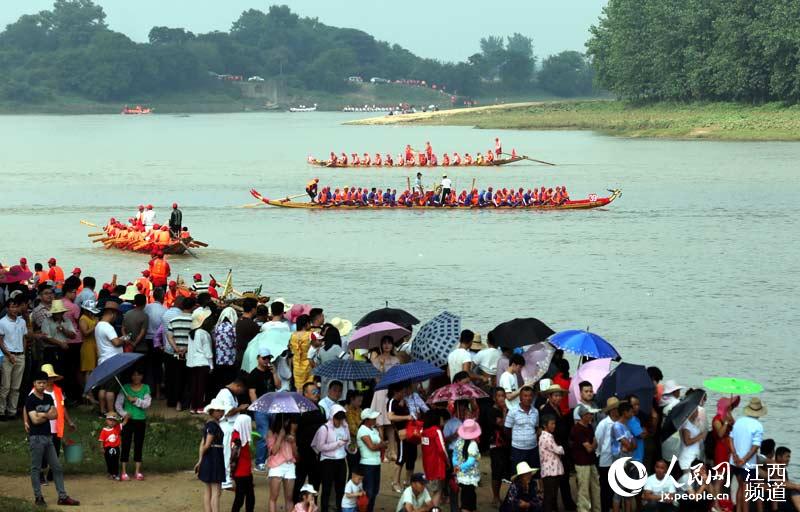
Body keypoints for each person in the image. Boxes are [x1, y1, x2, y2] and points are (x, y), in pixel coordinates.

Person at [25, 370, 80, 506]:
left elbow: (55, 415)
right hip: (36, 437)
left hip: (48, 437)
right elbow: (34, 420)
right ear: (34, 384)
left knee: (57, 467)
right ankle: (38, 497)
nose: (42, 385)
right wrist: (46, 414)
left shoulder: (49, 398)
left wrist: (41, 414)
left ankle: (62, 496)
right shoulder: (30, 399)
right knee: (36, 468)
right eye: (39, 383)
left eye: (44, 382)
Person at [730, 397, 766, 512]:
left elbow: (730, 439)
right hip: (748, 464)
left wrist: (735, 455)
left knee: (740, 487)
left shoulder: (739, 421)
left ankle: (738, 510)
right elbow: (755, 447)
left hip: (734, 461)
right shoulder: (758, 426)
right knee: (746, 489)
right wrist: (744, 460)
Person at [115, 367, 151, 481]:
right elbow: (118, 405)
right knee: (125, 444)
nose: (136, 377)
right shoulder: (124, 387)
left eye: (139, 375)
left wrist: (136, 400)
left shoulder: (146, 388)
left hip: (140, 420)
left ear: (142, 376)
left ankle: (137, 471)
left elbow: (147, 404)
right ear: (131, 376)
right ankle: (124, 472)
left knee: (138, 444)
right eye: (134, 375)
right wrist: (124, 414)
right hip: (128, 421)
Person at [0, 294, 33, 420]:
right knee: (5, 386)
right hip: (8, 356)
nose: (14, 309)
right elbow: (1, 341)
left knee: (16, 386)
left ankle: (12, 411)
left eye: (16, 307)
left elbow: (24, 338)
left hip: (20, 355)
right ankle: (1, 411)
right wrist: (9, 354)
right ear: (7, 309)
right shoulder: (2, 322)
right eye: (12, 307)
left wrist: (22, 352)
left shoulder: (22, 321)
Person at [94, 301, 130, 415]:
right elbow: (116, 342)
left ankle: (102, 410)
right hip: (112, 361)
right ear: (112, 314)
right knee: (111, 389)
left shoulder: (98, 325)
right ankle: (111, 412)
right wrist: (124, 339)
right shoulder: (108, 327)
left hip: (103, 360)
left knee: (103, 388)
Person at [313, 404, 350, 512]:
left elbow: (347, 442)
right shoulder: (324, 429)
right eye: (337, 419)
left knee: (340, 488)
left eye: (341, 419)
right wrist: (337, 444)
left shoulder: (345, 426)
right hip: (327, 461)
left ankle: (339, 509)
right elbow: (320, 447)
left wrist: (350, 447)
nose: (339, 422)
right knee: (326, 488)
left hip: (341, 460)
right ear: (332, 417)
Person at [215, 379, 249, 490]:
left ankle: (229, 478)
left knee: (230, 453)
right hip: (226, 425)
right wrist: (240, 408)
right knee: (227, 453)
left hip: (231, 426)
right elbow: (228, 412)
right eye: (241, 390)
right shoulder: (225, 393)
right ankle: (225, 481)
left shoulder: (231, 394)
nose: (240, 393)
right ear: (237, 386)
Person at [248, 347, 279, 471]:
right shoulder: (254, 374)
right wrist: (258, 407)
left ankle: (268, 458)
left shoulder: (270, 372)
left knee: (273, 434)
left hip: (273, 407)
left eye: (268, 358)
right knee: (263, 435)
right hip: (262, 409)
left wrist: (275, 373)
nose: (267, 360)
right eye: (264, 358)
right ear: (258, 358)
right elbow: (252, 392)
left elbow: (278, 385)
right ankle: (259, 461)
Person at [370, 336, 399, 461]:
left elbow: (398, 377)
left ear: (392, 345)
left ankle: (392, 451)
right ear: (381, 345)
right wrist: (381, 367)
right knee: (380, 424)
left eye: (389, 343)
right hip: (380, 392)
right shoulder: (376, 360)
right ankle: (382, 452)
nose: (387, 345)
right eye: (384, 343)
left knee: (391, 424)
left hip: (392, 392)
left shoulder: (396, 360)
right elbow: (377, 380)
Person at [196, 398, 226, 512]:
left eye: (221, 410)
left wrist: (200, 460)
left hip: (210, 458)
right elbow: (206, 444)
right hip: (214, 458)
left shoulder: (209, 424)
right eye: (218, 410)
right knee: (216, 491)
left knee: (208, 490)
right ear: (212, 411)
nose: (220, 412)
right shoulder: (213, 425)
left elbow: (202, 444)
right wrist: (201, 460)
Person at [571, 404, 601, 512]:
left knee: (595, 487)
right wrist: (593, 444)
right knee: (583, 489)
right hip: (582, 463)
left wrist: (592, 444)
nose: (591, 416)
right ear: (583, 415)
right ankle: (583, 510)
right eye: (589, 414)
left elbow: (594, 444)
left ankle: (597, 509)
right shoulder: (577, 429)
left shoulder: (589, 427)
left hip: (591, 461)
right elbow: (590, 447)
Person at [387, 383, 416, 493]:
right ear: (396, 392)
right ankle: (395, 482)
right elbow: (390, 416)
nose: (403, 394)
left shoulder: (405, 401)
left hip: (411, 432)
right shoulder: (391, 402)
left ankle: (408, 482)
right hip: (401, 433)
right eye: (401, 392)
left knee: (412, 457)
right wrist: (406, 417)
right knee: (401, 458)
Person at [268, 415, 299, 512]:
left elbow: (297, 456)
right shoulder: (271, 433)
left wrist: (293, 442)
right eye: (288, 422)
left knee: (289, 498)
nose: (291, 424)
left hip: (290, 465)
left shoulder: (292, 434)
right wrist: (280, 437)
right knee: (274, 497)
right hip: (276, 466)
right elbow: (273, 451)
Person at [357, 408, 386, 512]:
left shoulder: (373, 430)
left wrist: (380, 431)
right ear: (367, 419)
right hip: (367, 464)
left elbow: (381, 443)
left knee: (375, 490)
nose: (375, 420)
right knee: (369, 491)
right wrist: (381, 445)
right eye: (373, 418)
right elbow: (372, 447)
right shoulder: (362, 430)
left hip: (376, 463)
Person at [505, 386, 540, 470]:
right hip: (518, 450)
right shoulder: (513, 411)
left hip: (532, 449)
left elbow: (536, 427)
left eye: (530, 395)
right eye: (525, 396)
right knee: (518, 475)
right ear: (520, 397)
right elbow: (507, 430)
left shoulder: (535, 411)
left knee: (533, 473)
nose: (528, 398)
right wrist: (518, 439)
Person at [596, 397, 622, 512]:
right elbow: (598, 440)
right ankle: (605, 508)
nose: (618, 410)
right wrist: (600, 453)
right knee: (605, 487)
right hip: (606, 460)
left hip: (619, 459)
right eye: (616, 408)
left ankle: (615, 507)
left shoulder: (621, 422)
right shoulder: (604, 424)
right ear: (611, 410)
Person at [187, 310, 215, 413]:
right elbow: (208, 351)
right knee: (202, 386)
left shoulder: (191, 333)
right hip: (203, 363)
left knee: (194, 385)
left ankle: (193, 407)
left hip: (192, 363)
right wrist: (211, 365)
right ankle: (200, 407)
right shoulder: (204, 333)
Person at [452, 419, 481, 512]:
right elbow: (471, 461)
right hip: (470, 476)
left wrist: (456, 466)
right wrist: (460, 467)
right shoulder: (473, 444)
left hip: (460, 475)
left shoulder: (458, 441)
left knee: (465, 494)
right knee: (469, 497)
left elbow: (454, 456)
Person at [612, 402, 637, 512]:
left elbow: (633, 445)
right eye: (631, 411)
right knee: (618, 492)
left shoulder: (626, 426)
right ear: (625, 412)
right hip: (620, 462)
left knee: (628, 492)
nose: (633, 413)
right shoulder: (617, 426)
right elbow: (627, 444)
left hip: (628, 460)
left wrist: (629, 446)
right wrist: (629, 445)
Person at [420, 409, 447, 506]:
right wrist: (447, 461)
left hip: (427, 465)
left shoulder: (423, 430)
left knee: (430, 490)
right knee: (437, 491)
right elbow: (442, 449)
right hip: (437, 465)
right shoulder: (436, 430)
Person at [539, 415, 566, 512]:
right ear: (545, 425)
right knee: (550, 496)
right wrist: (562, 448)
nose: (554, 426)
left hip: (551, 471)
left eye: (554, 423)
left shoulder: (546, 436)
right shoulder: (547, 437)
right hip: (550, 472)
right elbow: (558, 450)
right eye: (552, 424)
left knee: (551, 495)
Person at [230, 414, 255, 512]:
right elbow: (234, 457)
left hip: (245, 471)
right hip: (241, 472)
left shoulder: (239, 434)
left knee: (248, 496)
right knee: (242, 498)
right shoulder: (238, 438)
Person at [290, 314, 314, 390]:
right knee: (310, 387)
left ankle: (299, 401)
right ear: (306, 324)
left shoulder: (293, 335)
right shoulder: (310, 335)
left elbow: (291, 349)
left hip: (297, 365)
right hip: (308, 364)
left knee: (299, 388)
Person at [678, 407, 705, 473]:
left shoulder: (693, 423)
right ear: (690, 412)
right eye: (695, 411)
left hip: (694, 456)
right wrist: (700, 436)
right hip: (687, 458)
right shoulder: (686, 424)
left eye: (697, 410)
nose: (697, 412)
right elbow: (687, 441)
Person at [98, 412, 122, 480]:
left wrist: (119, 418)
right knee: (109, 461)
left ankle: (116, 474)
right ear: (106, 421)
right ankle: (111, 473)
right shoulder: (104, 430)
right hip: (107, 448)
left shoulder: (117, 428)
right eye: (110, 420)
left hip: (116, 448)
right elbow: (101, 439)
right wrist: (101, 447)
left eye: (114, 421)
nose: (112, 422)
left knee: (116, 461)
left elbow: (123, 423)